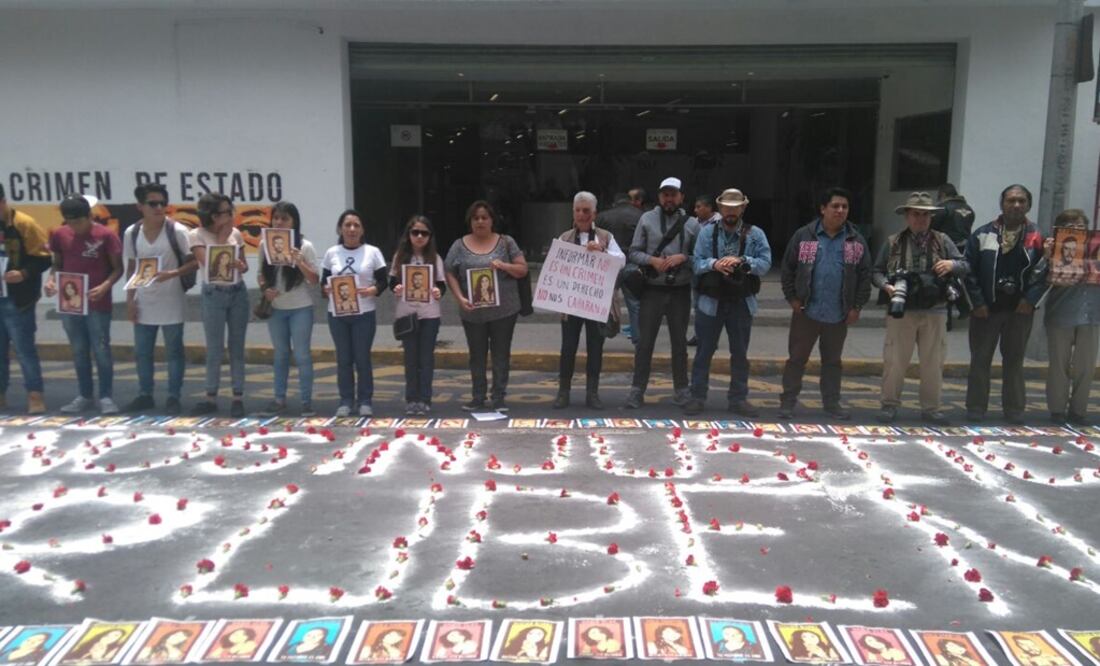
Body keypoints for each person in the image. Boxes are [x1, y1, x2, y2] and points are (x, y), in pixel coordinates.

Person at [872, 192, 969, 424]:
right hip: (901, 310)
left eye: (926, 215)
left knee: (933, 363)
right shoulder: (893, 242)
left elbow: (965, 265)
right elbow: (876, 271)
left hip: (935, 309)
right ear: (907, 216)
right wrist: (886, 286)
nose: (921, 219)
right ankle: (889, 405)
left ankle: (931, 408)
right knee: (895, 360)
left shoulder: (943, 240)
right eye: (916, 214)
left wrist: (952, 264)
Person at [778, 187, 871, 420]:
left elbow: (865, 275)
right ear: (823, 209)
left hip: (838, 313)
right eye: (835, 206)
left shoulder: (855, 241)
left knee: (832, 362)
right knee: (796, 359)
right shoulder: (804, 236)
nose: (840, 210)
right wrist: (792, 298)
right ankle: (787, 402)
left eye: (845, 207)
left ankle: (832, 404)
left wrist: (856, 306)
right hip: (806, 311)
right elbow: (787, 269)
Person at [684, 188, 771, 416]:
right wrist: (715, 264)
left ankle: (738, 399)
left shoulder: (756, 234)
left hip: (742, 302)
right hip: (710, 301)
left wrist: (743, 261)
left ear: (743, 207)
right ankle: (697, 397)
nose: (731, 211)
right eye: (727, 207)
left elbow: (765, 263)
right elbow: (696, 262)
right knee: (704, 351)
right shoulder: (706, 233)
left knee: (740, 353)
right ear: (720, 208)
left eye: (736, 207)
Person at [964, 184, 1046, 423]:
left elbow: (1045, 273)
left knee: (1014, 361)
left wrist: (1030, 300)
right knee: (980, 360)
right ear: (1002, 204)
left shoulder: (1038, 237)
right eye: (1011, 200)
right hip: (986, 311)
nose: (1016, 205)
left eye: (1021, 201)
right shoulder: (982, 234)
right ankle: (976, 407)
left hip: (1019, 311)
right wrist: (977, 302)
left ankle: (1014, 410)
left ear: (1028, 205)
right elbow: (968, 271)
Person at [445, 200, 527, 412]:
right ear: (470, 221)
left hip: (504, 311)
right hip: (472, 312)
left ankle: (499, 397)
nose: (480, 221)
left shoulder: (506, 242)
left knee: (501, 353)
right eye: (476, 218)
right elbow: (449, 273)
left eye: (484, 217)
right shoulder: (458, 245)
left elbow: (522, 269)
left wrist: (503, 265)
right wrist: (459, 297)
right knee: (477, 354)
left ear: (492, 220)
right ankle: (478, 396)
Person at [625, 177, 699, 409]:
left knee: (679, 344)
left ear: (681, 197)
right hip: (652, 290)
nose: (669, 199)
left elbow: (701, 259)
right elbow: (634, 253)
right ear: (659, 197)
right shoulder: (646, 219)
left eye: (673, 194)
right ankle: (637, 391)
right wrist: (653, 260)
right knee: (645, 343)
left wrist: (683, 258)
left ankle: (681, 390)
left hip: (680, 291)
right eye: (665, 194)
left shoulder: (693, 224)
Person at [45, 194, 123, 415]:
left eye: (79, 221)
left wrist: (106, 286)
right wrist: (52, 280)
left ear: (89, 215)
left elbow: (118, 268)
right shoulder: (60, 235)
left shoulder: (105, 235)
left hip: (97, 301)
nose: (75, 227)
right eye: (70, 222)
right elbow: (57, 264)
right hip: (71, 303)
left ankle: (106, 396)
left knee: (101, 349)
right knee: (78, 350)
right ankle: (85, 394)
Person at [123, 183, 196, 414]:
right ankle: (145, 394)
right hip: (144, 300)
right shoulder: (132, 233)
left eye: (162, 203)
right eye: (152, 203)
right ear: (140, 206)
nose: (158, 208)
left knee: (174, 351)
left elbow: (195, 261)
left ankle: (173, 395)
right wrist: (130, 300)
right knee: (142, 352)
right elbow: (132, 267)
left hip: (171, 299)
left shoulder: (178, 231)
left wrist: (172, 274)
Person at [554, 191, 624, 410]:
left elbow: (621, 261)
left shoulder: (606, 237)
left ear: (594, 213)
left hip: (596, 304)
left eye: (586, 211)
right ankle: (563, 392)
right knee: (568, 348)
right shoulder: (564, 238)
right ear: (573, 212)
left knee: (596, 348)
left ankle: (592, 393)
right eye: (578, 210)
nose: (582, 215)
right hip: (571, 303)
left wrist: (602, 251)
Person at [321, 209, 387, 417]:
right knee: (343, 359)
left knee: (362, 358)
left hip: (364, 313)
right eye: (347, 225)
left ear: (362, 229)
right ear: (340, 229)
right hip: (337, 314)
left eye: (356, 225)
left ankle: (365, 400)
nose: (351, 229)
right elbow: (323, 282)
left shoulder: (372, 252)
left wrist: (373, 290)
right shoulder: (332, 253)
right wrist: (325, 289)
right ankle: (346, 400)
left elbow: (384, 281)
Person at [189, 193, 249, 417]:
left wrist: (240, 265)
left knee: (237, 347)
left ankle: (237, 396)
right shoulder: (197, 235)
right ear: (214, 215)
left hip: (237, 292)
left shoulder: (236, 233)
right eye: (226, 212)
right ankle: (211, 396)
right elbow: (209, 264)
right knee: (214, 347)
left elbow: (244, 266)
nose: (230, 216)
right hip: (213, 293)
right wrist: (223, 238)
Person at [257, 202, 318, 417]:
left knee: (302, 355)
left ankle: (306, 401)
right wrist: (265, 289)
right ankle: (279, 399)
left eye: (285, 219)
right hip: (277, 308)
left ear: (294, 222)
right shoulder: (264, 244)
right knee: (281, 354)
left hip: (300, 307)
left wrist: (299, 261)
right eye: (276, 218)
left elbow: (314, 280)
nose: (280, 222)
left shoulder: (305, 245)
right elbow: (260, 275)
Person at [1042, 209, 1100, 425]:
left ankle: (1079, 410)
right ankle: (1057, 410)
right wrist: (1047, 257)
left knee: (1086, 366)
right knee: (1059, 364)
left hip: (1092, 313)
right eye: (1071, 226)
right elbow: (1040, 280)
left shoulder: (1096, 247)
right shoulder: (1054, 247)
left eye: (1080, 226)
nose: (1077, 230)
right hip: (1061, 312)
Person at [0, 183, 51, 414]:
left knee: (24, 349)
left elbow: (43, 258)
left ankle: (35, 395)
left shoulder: (24, 224)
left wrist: (22, 273)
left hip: (18, 299)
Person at [390, 215, 446, 416]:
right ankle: (411, 399)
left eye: (424, 233)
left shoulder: (435, 258)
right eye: (415, 232)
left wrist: (439, 292)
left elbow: (441, 284)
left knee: (426, 359)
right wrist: (396, 287)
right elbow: (391, 282)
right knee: (410, 359)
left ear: (430, 236)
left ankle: (425, 399)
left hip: (429, 315)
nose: (420, 236)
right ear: (409, 235)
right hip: (407, 314)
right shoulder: (399, 257)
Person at [687, 193, 722, 346]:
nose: (696, 210)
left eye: (699, 207)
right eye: (695, 207)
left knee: (713, 304)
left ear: (709, 207)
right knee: (698, 304)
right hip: (698, 267)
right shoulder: (694, 223)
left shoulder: (720, 223)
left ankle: (711, 337)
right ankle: (699, 334)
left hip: (715, 269)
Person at [932, 183, 976, 252]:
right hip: (965, 249)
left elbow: (931, 228)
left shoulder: (942, 208)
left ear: (943, 194)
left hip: (946, 250)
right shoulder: (969, 209)